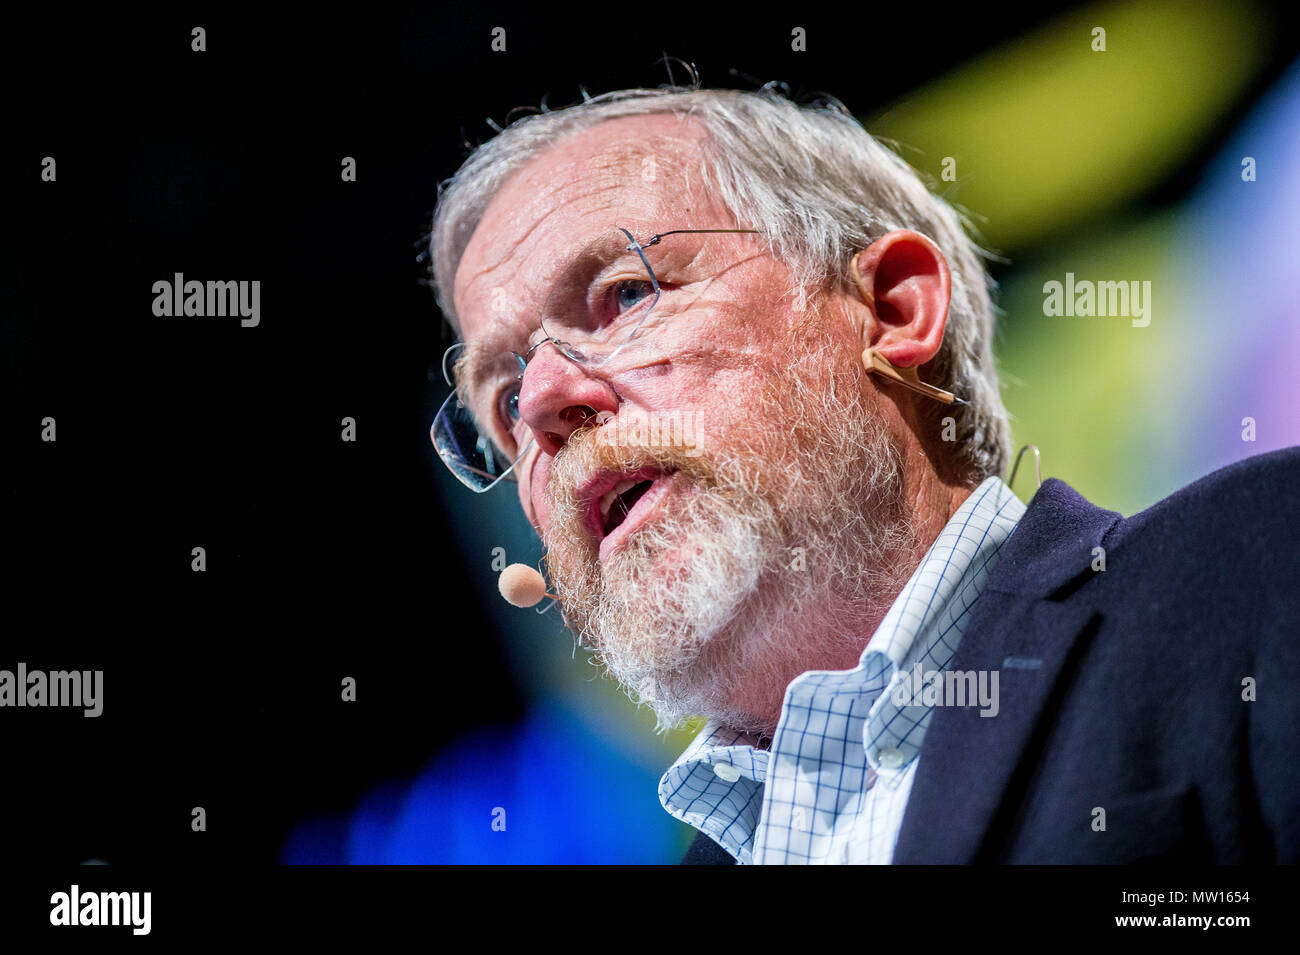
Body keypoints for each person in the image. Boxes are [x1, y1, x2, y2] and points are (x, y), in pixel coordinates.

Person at [426, 86, 1299, 864]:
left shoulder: (1258, 564)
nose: (542, 401)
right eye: (501, 401)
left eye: (625, 294)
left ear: (892, 310)